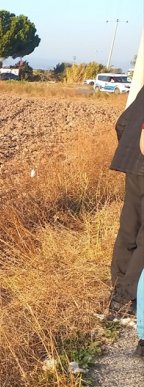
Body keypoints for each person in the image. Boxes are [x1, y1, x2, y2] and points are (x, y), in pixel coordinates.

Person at [110, 90, 144, 356]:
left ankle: (117, 296)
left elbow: (123, 122)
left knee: (128, 228)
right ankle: (127, 294)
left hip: (135, 165)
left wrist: (131, 151)